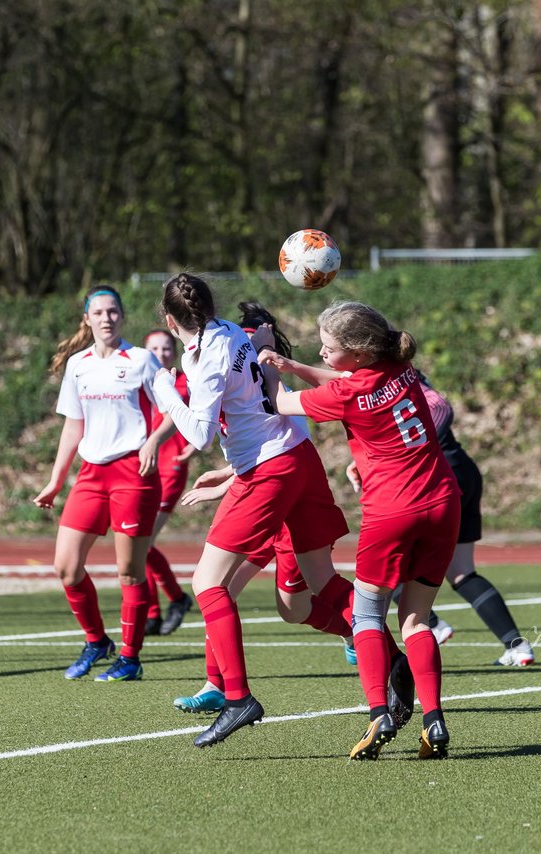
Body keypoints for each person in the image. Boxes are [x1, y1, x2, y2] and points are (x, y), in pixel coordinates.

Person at [153, 274, 358, 748]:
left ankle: (236, 696)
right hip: (290, 459)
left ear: (169, 321)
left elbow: (200, 435)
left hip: (268, 472)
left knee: (208, 583)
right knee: (306, 597)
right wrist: (228, 474)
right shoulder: (228, 333)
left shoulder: (205, 356)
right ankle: (382, 652)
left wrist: (164, 389)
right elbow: (248, 398)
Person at [260, 300, 459, 760]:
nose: (323, 355)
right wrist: (294, 364)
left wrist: (267, 359)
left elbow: (280, 402)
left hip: (392, 512)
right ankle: (434, 721)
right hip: (442, 503)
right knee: (416, 620)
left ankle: (379, 714)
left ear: (359, 351)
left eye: (330, 348)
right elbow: (348, 382)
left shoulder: (347, 392)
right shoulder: (399, 365)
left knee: (368, 617)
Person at [32, 286, 176, 683]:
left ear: (122, 316)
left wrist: (153, 441)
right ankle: (97, 641)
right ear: (87, 319)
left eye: (113, 311)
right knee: (66, 566)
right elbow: (73, 426)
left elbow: (173, 412)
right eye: (98, 312)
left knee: (129, 571)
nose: (106, 318)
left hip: (134, 474)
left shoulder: (142, 360)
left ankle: (130, 658)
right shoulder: (78, 365)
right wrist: (55, 480)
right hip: (91, 475)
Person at [344, 372, 536, 667]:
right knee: (461, 572)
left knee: (386, 566)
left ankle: (431, 624)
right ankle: (516, 645)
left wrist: (407, 449)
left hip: (439, 477)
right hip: (460, 469)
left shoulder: (390, 375)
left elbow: (440, 408)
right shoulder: (392, 374)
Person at [141, 329, 196, 636]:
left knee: (144, 540)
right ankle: (150, 613)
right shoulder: (137, 381)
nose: (161, 353)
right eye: (154, 348)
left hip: (171, 467)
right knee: (136, 540)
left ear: (174, 354)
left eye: (166, 348)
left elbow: (212, 411)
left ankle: (176, 598)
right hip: (139, 467)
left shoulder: (185, 383)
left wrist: (199, 443)